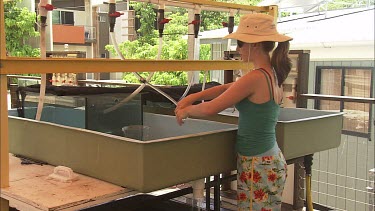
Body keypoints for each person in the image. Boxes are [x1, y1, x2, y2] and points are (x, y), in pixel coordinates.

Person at [175, 13, 292, 211]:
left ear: (254, 44)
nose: (238, 48)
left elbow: (212, 108)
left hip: (259, 165)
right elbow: (225, 88)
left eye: (240, 43)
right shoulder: (270, 73)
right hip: (266, 161)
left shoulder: (255, 77)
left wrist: (187, 111)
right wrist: (190, 97)